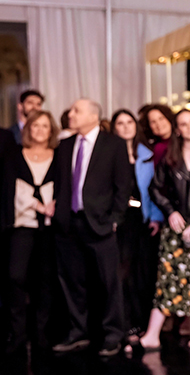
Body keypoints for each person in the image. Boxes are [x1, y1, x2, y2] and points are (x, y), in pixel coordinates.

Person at [129, 109, 190, 352]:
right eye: (183, 123)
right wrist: (171, 211)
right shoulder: (170, 155)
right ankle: (152, 335)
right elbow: (155, 188)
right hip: (176, 225)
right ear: (178, 129)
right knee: (168, 278)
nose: (189, 126)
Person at [52, 99, 132, 357]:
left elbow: (123, 185)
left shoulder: (114, 144)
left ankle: (113, 334)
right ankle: (78, 332)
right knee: (72, 282)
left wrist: (115, 218)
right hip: (69, 223)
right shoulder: (65, 145)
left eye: (77, 110)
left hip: (101, 223)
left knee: (109, 282)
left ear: (93, 116)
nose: (71, 114)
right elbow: (60, 183)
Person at [2, 111, 59, 354]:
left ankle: (41, 332)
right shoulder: (14, 154)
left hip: (50, 227)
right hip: (22, 224)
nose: (39, 130)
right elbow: (10, 188)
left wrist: (54, 205)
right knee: (15, 276)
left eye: (45, 126)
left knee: (45, 279)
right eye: (35, 125)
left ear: (51, 130)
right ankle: (18, 333)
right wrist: (38, 205)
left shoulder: (59, 155)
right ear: (28, 129)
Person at [110, 109, 164, 343]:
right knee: (122, 272)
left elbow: (155, 189)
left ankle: (141, 323)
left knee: (143, 273)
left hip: (142, 219)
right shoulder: (109, 154)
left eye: (129, 122)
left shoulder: (147, 154)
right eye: (120, 123)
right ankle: (126, 324)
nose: (125, 127)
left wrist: (155, 218)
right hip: (119, 219)